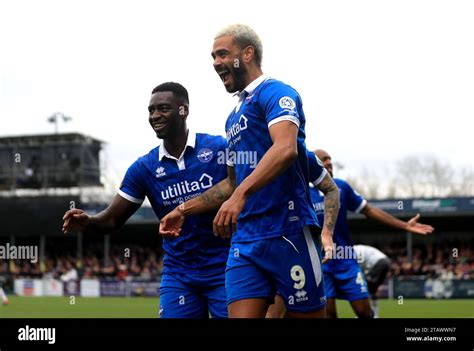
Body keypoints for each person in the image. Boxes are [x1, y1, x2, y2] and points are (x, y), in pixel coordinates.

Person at [160, 24, 335, 318]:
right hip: (245, 240)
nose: (215, 63)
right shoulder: (232, 119)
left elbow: (285, 149)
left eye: (222, 54)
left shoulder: (277, 92)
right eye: (213, 57)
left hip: (289, 231)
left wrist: (240, 195)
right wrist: (183, 209)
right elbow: (231, 184)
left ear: (248, 54)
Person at [62, 82, 230, 318]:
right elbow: (112, 219)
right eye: (151, 110)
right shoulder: (144, 168)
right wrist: (89, 221)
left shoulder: (219, 149)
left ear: (184, 110)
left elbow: (240, 187)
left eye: (163, 108)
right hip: (179, 273)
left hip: (226, 266)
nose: (155, 116)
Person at [313, 149, 434, 318]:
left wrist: (404, 225)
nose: (329, 162)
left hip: (346, 260)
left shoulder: (341, 187)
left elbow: (369, 210)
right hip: (320, 262)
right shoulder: (304, 193)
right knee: (329, 314)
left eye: (330, 159)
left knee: (364, 312)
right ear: (313, 164)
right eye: (323, 160)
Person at [353, 244, 391, 318]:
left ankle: (362, 314)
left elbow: (357, 270)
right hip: (385, 262)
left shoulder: (353, 252)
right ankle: (375, 314)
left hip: (379, 263)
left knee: (363, 288)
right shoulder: (356, 249)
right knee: (372, 290)